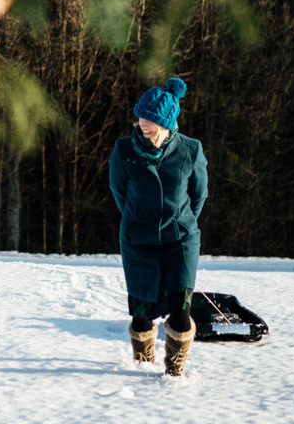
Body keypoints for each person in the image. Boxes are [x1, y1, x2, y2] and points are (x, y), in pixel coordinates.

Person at [108, 76, 207, 376]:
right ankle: (142, 362)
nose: (142, 123)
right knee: (142, 315)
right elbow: (119, 192)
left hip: (180, 240)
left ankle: (174, 370)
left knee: (180, 312)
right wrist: (139, 219)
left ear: (166, 123)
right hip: (138, 242)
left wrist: (180, 222)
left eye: (150, 119)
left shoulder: (190, 150)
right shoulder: (124, 151)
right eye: (140, 116)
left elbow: (199, 195)